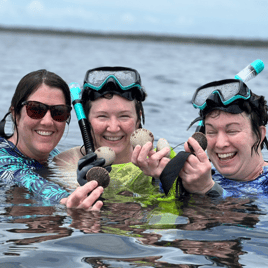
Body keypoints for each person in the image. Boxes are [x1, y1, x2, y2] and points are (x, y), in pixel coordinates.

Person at [54, 66, 173, 200]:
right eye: (102, 116)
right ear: (87, 121)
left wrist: (161, 182)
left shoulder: (165, 161)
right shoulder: (65, 163)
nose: (113, 128)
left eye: (124, 116)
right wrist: (82, 190)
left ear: (138, 119)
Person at [0, 69, 104, 210]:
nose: (48, 122)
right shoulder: (3, 160)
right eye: (35, 109)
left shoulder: (55, 157)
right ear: (15, 114)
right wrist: (66, 200)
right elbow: (26, 179)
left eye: (59, 112)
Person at [179, 78, 268, 198]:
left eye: (232, 131)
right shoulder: (207, 176)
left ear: (259, 135)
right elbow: (164, 217)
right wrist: (161, 179)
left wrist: (208, 189)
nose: (220, 144)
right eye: (211, 132)